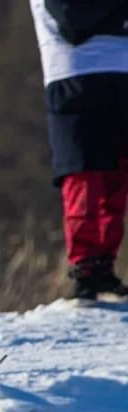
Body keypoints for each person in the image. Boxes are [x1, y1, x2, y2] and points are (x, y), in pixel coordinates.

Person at [30, 0, 128, 303]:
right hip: (72, 77)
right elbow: (72, 19)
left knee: (117, 177)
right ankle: (85, 267)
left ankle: (103, 267)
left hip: (121, 75)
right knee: (82, 176)